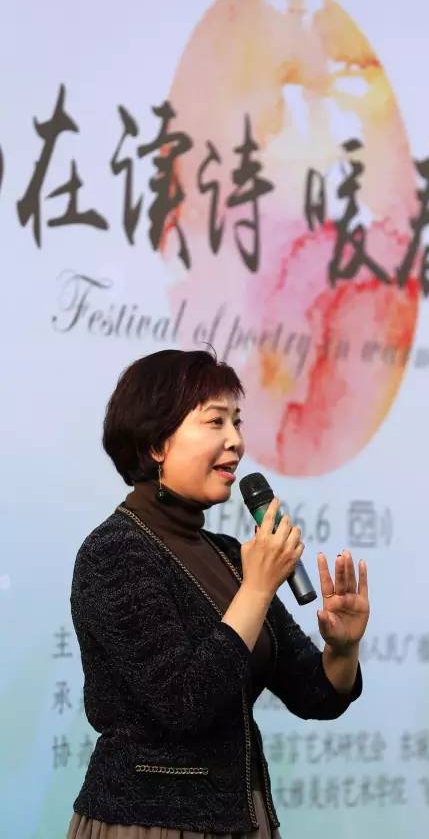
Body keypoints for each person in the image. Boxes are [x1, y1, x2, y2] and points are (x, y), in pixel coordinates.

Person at [66, 348, 368, 839]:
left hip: (243, 819)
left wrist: (343, 647)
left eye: (237, 422)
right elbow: (182, 703)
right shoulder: (115, 551)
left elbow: (315, 693)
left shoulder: (229, 554)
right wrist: (257, 588)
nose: (236, 441)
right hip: (149, 823)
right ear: (156, 444)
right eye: (215, 422)